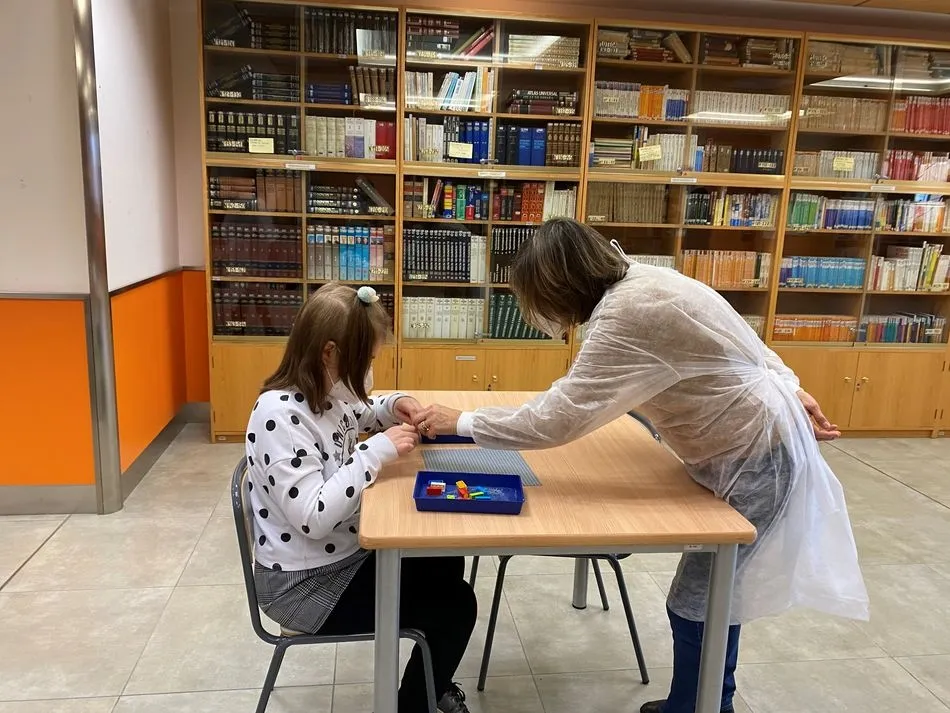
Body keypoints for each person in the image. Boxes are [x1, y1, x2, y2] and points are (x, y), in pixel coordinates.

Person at [411, 218, 869, 713]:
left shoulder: (628, 313)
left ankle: (703, 706)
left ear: (560, 286)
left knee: (705, 598)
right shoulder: (648, 280)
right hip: (747, 443)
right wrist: (791, 386)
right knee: (718, 589)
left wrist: (464, 421)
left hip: (754, 456)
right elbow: (751, 346)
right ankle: (703, 701)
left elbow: (558, 420)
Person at [245, 282, 476, 713]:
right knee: (457, 606)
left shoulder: (328, 393)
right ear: (330, 353)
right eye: (366, 359)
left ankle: (428, 680)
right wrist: (374, 452)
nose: (370, 370)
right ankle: (415, 702)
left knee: (444, 557)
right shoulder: (278, 414)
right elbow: (313, 516)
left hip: (341, 559)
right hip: (304, 587)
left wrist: (399, 404)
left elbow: (368, 408)